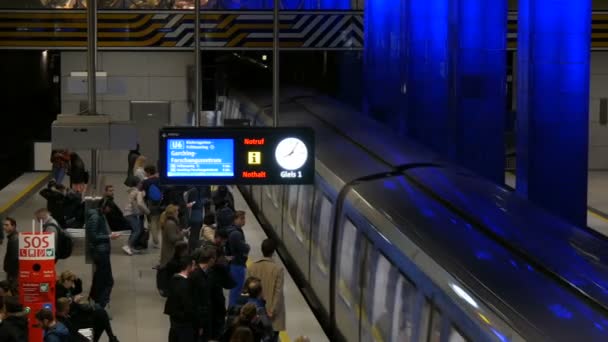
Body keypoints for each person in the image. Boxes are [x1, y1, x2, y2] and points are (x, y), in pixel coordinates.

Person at [55, 271, 119, 342]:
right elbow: (65, 308)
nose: (72, 283)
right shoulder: (60, 291)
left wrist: (77, 281)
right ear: (66, 281)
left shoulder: (67, 288)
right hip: (73, 315)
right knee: (99, 314)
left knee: (101, 313)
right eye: (72, 281)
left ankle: (111, 337)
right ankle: (111, 337)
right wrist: (74, 301)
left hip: (76, 310)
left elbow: (78, 290)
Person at [246, 239, 285, 339]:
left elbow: (247, 289)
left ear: (262, 250)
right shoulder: (278, 269)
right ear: (273, 252)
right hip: (272, 314)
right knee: (272, 337)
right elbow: (278, 292)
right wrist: (272, 310)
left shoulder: (252, 267)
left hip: (254, 312)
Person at [86, 201, 120, 308]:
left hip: (101, 251)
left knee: (99, 278)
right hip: (100, 252)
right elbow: (93, 236)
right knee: (108, 281)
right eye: (109, 208)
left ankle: (94, 299)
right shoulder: (95, 218)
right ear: (104, 207)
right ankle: (101, 305)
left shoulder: (99, 216)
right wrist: (109, 237)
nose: (110, 211)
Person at [164, 256, 196, 342]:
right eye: (193, 265)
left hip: (174, 318)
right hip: (184, 322)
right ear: (188, 267)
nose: (194, 268)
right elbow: (187, 305)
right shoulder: (185, 284)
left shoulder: (174, 279)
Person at [190, 247, 217, 341]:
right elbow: (197, 301)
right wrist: (200, 324)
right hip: (199, 320)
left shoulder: (205, 273)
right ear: (211, 260)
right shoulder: (197, 276)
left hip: (204, 317)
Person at [226, 210, 250, 306]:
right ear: (235, 219)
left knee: (235, 290)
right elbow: (244, 248)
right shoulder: (236, 234)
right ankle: (233, 311)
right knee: (236, 290)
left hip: (235, 264)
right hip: (237, 265)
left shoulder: (234, 231)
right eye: (242, 218)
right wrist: (247, 246)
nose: (244, 221)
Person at [122, 176, 149, 256]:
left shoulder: (131, 191)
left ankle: (130, 247)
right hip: (131, 213)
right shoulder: (138, 192)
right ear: (138, 184)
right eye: (140, 183)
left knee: (135, 230)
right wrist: (147, 211)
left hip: (127, 213)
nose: (141, 184)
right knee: (137, 231)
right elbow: (140, 204)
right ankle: (127, 245)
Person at [141, 165, 163, 249]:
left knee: (152, 221)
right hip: (160, 203)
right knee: (158, 221)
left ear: (148, 172)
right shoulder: (160, 180)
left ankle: (155, 240)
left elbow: (142, 192)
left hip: (150, 203)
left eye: (146, 172)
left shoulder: (146, 182)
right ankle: (156, 237)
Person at [186, 186, 211, 252]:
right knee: (194, 234)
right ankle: (192, 250)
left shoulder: (193, 190)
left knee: (194, 234)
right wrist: (204, 201)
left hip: (195, 215)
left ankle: (191, 249)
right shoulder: (195, 191)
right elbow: (196, 203)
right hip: (196, 216)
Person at [3, 218, 19, 286]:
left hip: (13, 274)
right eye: (4, 225)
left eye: (7, 225)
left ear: (13, 226)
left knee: (13, 292)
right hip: (12, 273)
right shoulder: (12, 237)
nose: (4, 227)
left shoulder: (14, 239)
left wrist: (11, 275)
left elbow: (14, 258)